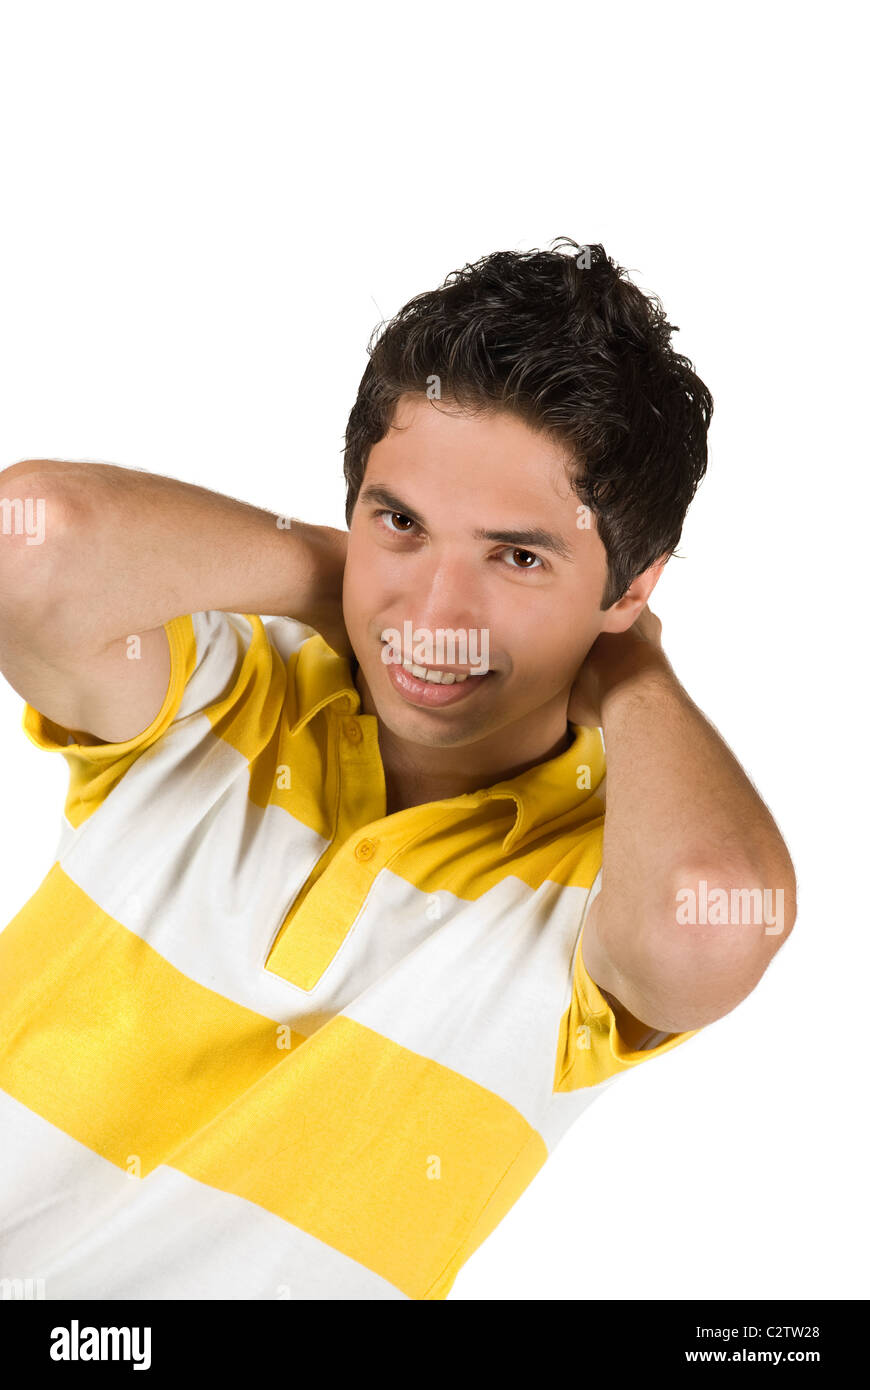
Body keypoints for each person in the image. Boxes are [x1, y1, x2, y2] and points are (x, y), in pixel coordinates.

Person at [0, 239, 796, 1300]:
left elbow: (718, 925)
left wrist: (634, 670)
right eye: (401, 522)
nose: (436, 614)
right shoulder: (221, 693)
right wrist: (350, 590)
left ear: (629, 587)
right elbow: (29, 545)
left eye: (518, 556)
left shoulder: (599, 882)